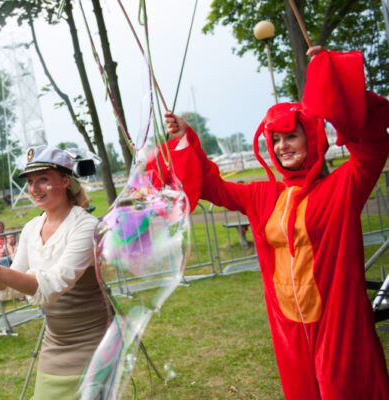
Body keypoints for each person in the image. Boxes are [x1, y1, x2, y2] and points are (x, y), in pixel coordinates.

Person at [164, 47, 389, 399]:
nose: (283, 146)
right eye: (276, 139)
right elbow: (211, 187)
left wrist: (332, 78)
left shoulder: (343, 186)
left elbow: (373, 145)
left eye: (291, 136)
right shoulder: (262, 195)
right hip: (288, 327)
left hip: (338, 323)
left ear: (311, 136)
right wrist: (185, 138)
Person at [0, 145, 111, 399]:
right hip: (55, 342)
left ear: (65, 180)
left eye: (43, 179)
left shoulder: (86, 226)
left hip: (93, 341)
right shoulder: (32, 228)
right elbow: (9, 288)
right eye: (30, 181)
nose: (34, 189)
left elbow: (52, 286)